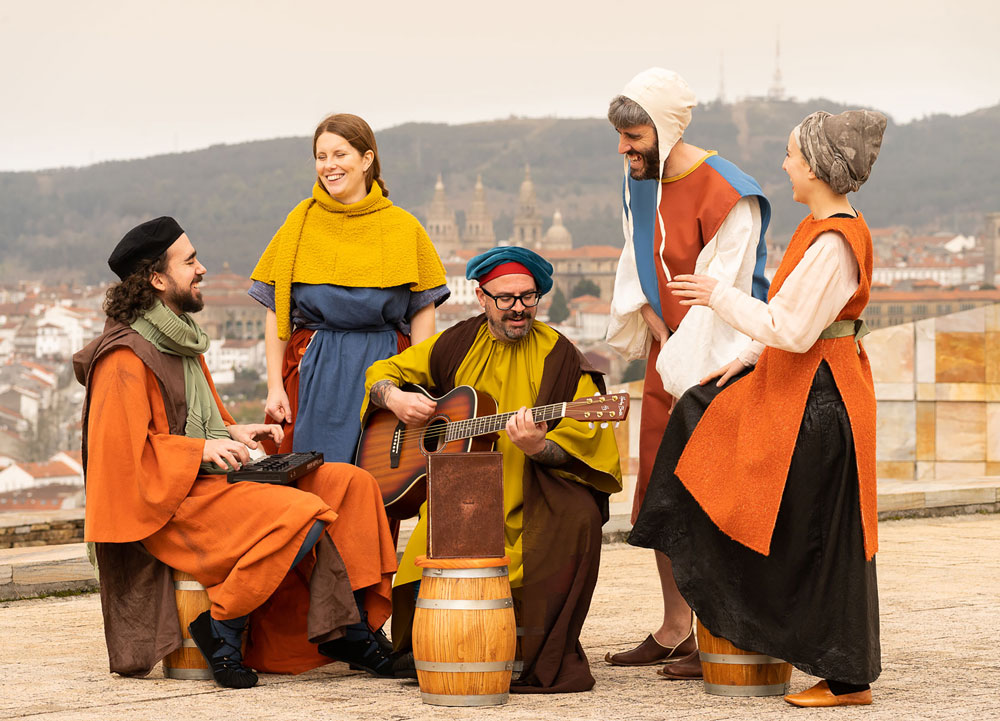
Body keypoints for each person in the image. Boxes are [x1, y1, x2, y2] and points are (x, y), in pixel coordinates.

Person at [629, 109, 887, 707]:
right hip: (805, 384)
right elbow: (786, 317)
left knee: (822, 533)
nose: (785, 164)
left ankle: (846, 676)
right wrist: (744, 357)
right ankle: (734, 605)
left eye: (793, 154)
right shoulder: (816, 229)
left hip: (823, 396)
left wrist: (718, 295)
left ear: (819, 168)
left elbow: (792, 328)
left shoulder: (833, 241)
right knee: (700, 410)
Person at [74, 217, 399, 688]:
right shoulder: (125, 358)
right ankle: (223, 626)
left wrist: (232, 431)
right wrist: (201, 448)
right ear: (157, 279)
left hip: (205, 479)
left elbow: (192, 420)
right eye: (189, 262)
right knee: (302, 512)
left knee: (351, 484)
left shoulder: (180, 339)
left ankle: (350, 629)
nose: (202, 268)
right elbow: (121, 462)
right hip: (168, 502)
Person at [361, 246, 622, 693]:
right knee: (436, 536)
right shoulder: (456, 342)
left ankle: (534, 648)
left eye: (527, 297)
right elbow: (382, 371)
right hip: (463, 487)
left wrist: (541, 447)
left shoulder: (559, 355)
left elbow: (588, 445)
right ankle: (442, 645)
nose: (517, 308)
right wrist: (396, 398)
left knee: (576, 520)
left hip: (535, 488)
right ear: (481, 297)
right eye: (505, 298)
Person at [604, 67, 771, 678]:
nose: (624, 149)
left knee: (710, 494)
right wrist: (655, 326)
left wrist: (685, 363)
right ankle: (676, 627)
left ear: (667, 129)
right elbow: (635, 260)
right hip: (665, 352)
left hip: (721, 364)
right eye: (620, 136)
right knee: (659, 489)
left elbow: (724, 290)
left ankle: (719, 632)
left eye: (634, 136)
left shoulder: (731, 193)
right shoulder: (639, 181)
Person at [248, 113, 449, 463]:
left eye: (340, 154)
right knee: (305, 483)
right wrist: (274, 387)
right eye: (321, 157)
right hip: (311, 372)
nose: (329, 166)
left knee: (378, 483)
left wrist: (420, 383)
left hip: (387, 373)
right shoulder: (298, 223)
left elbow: (423, 314)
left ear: (366, 159)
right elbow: (277, 309)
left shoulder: (404, 228)